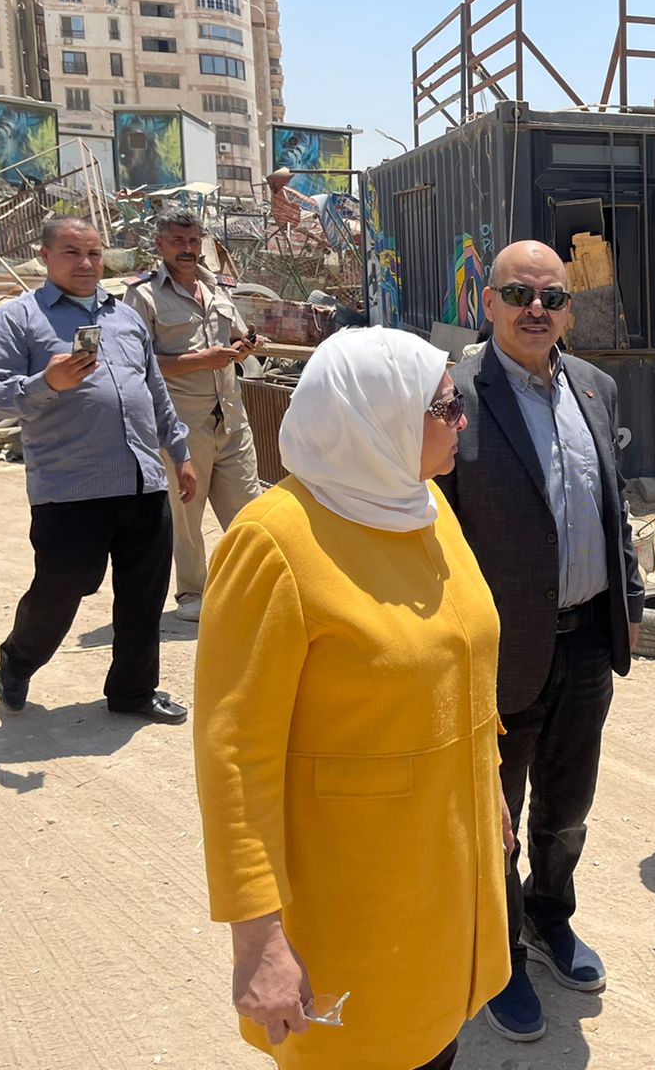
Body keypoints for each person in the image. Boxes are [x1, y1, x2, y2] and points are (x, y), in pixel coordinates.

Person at [193, 328, 511, 1070]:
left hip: (443, 875)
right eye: (445, 407)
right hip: (354, 896)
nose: (463, 421)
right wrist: (257, 939)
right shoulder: (273, 542)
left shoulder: (422, 505)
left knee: (435, 1043)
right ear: (378, 415)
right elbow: (233, 755)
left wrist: (489, 781)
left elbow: (459, 661)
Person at [438, 239, 644, 1043]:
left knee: (568, 809)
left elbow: (612, 508)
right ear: (487, 302)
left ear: (568, 310)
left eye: (552, 297)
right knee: (495, 816)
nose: (536, 309)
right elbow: (436, 531)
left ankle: (551, 918)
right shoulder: (453, 395)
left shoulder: (595, 386)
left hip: (585, 642)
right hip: (495, 653)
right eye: (519, 294)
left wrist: (629, 602)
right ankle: (502, 956)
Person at [0, 216, 195, 725]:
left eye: (94, 253)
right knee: (63, 587)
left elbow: (153, 390)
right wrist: (45, 382)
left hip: (142, 479)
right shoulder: (17, 319)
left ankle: (133, 692)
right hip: (71, 486)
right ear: (45, 256)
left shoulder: (125, 317)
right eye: (72, 253)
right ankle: (20, 657)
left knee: (143, 593)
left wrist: (179, 451)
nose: (86, 263)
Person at [125, 206, 263, 622]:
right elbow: (135, 361)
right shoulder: (143, 295)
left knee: (249, 510)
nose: (187, 249)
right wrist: (199, 361)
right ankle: (192, 593)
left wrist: (247, 345)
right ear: (160, 244)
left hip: (231, 418)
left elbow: (236, 335)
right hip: (182, 425)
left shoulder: (217, 288)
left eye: (193, 240)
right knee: (187, 513)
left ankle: (252, 586)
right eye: (178, 241)